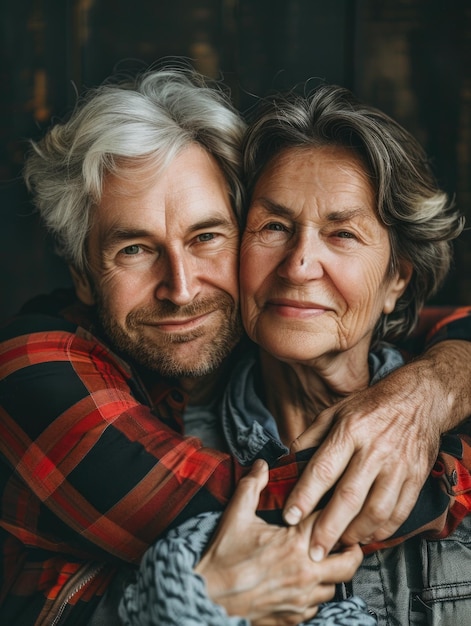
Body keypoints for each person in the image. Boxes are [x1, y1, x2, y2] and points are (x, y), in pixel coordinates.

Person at [0, 65, 470, 625]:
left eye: (206, 237)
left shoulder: (443, 382)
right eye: (274, 226)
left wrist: (433, 388)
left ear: (398, 280)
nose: (180, 289)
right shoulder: (127, 414)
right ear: (82, 272)